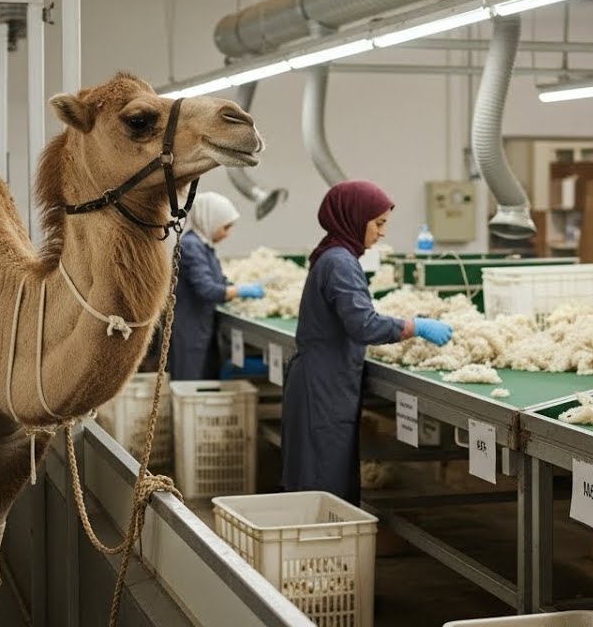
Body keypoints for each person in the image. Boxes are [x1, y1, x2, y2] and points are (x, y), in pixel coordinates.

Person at [280, 180, 454, 503]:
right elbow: (363, 325)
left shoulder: (333, 255)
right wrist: (414, 326)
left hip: (323, 380)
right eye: (378, 223)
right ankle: (323, 549)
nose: (382, 233)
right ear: (354, 218)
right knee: (322, 483)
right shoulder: (340, 263)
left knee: (320, 476)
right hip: (324, 387)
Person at [169, 192, 264, 380]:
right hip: (190, 328)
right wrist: (240, 291)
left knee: (203, 380)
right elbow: (207, 289)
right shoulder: (191, 246)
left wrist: (232, 286)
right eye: (225, 227)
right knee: (189, 384)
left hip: (200, 326)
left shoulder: (203, 245)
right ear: (209, 220)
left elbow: (216, 279)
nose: (227, 233)